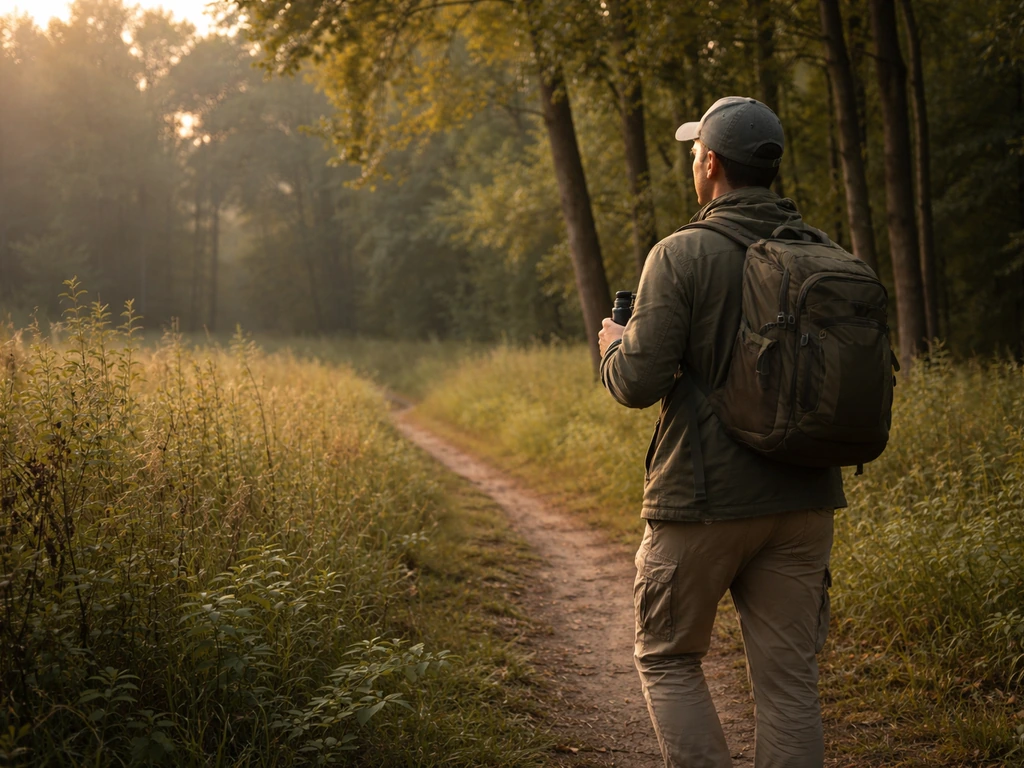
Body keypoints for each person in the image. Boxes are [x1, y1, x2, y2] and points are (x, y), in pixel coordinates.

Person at [597, 96, 846, 768]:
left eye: (693, 153)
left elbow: (636, 382)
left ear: (709, 163)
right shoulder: (822, 251)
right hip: (805, 499)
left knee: (668, 657)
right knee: (789, 683)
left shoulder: (680, 254)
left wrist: (614, 345)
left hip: (703, 499)